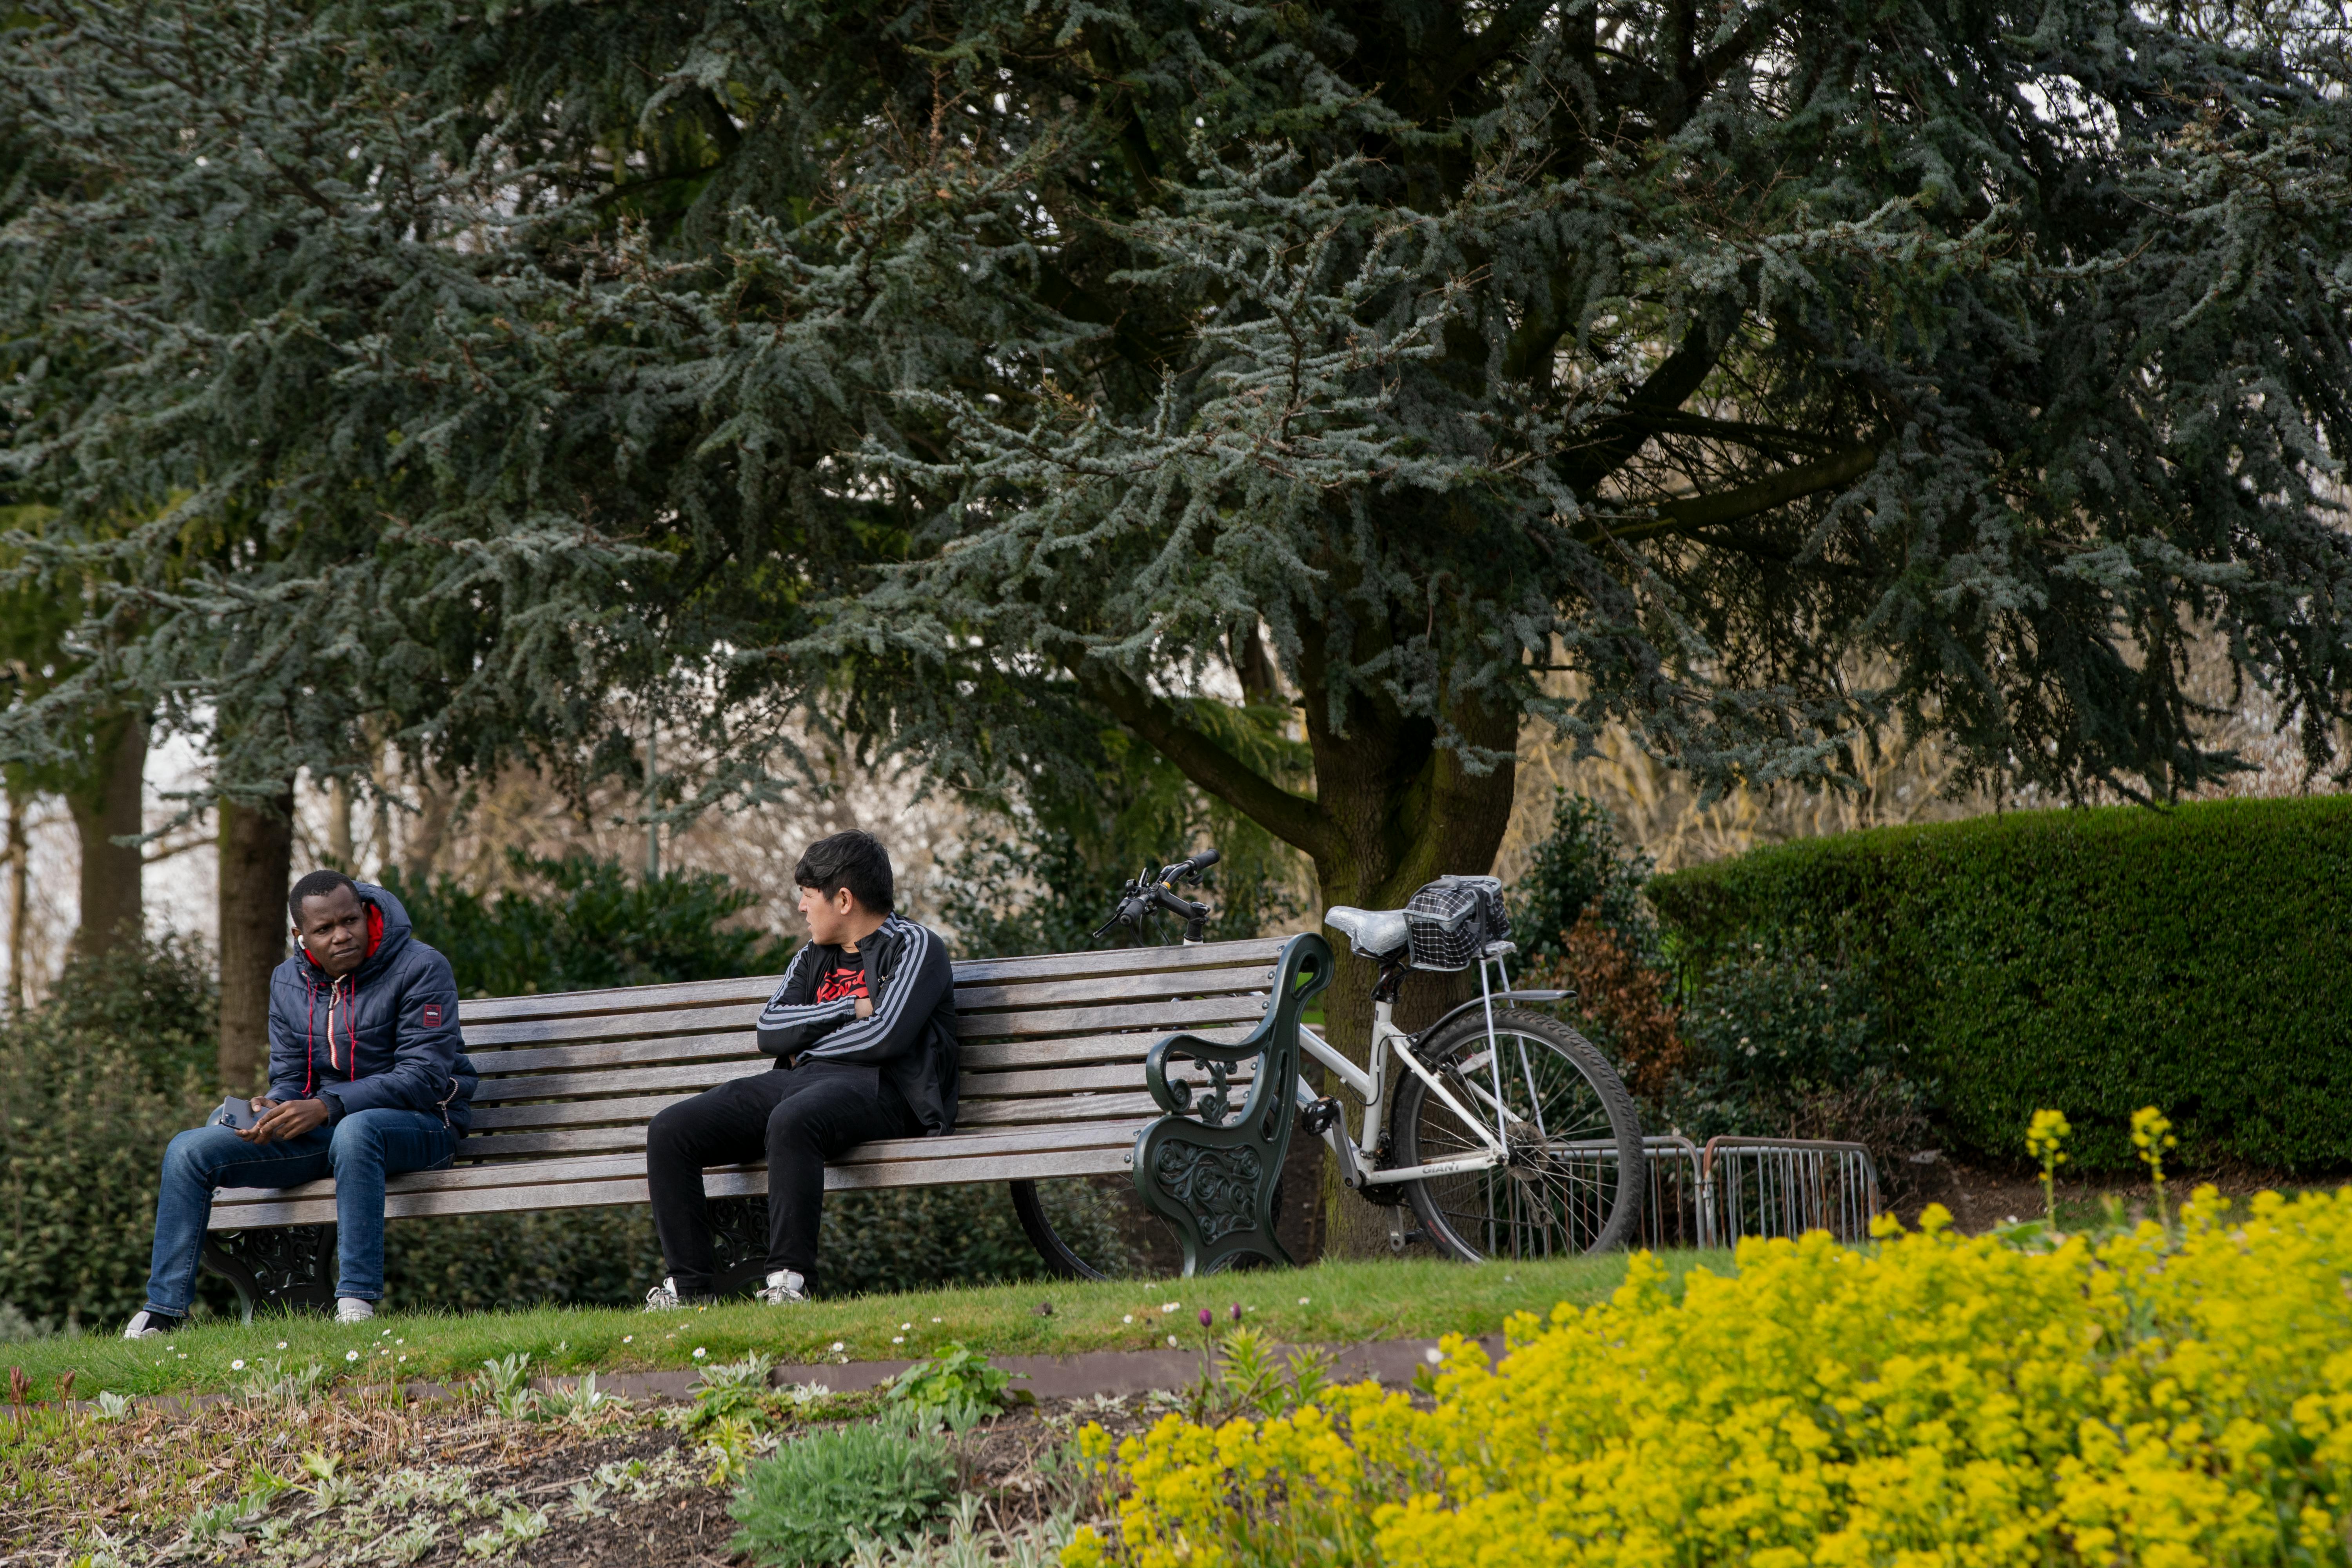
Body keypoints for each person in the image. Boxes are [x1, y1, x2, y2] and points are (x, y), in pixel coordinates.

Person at [122, 873, 477, 1337]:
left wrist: (328, 1105)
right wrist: (276, 1105)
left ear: (366, 915)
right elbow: (292, 1076)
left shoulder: (420, 966)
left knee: (359, 1131)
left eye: (350, 920)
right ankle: (164, 1311)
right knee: (192, 1148)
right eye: (325, 929)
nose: (342, 935)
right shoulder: (287, 981)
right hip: (333, 1131)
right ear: (301, 935)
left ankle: (355, 1302)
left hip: (424, 1125)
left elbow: (424, 1076)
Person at [643, 829, 957, 1307]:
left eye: (808, 897)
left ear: (845, 899)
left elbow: (887, 1035)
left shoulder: (915, 946)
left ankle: (788, 1284)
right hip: (799, 1080)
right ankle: (688, 1290)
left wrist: (807, 1042)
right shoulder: (812, 957)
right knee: (671, 1130)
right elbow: (770, 1029)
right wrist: (850, 1007)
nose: (801, 909)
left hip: (883, 1090)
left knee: (792, 1120)